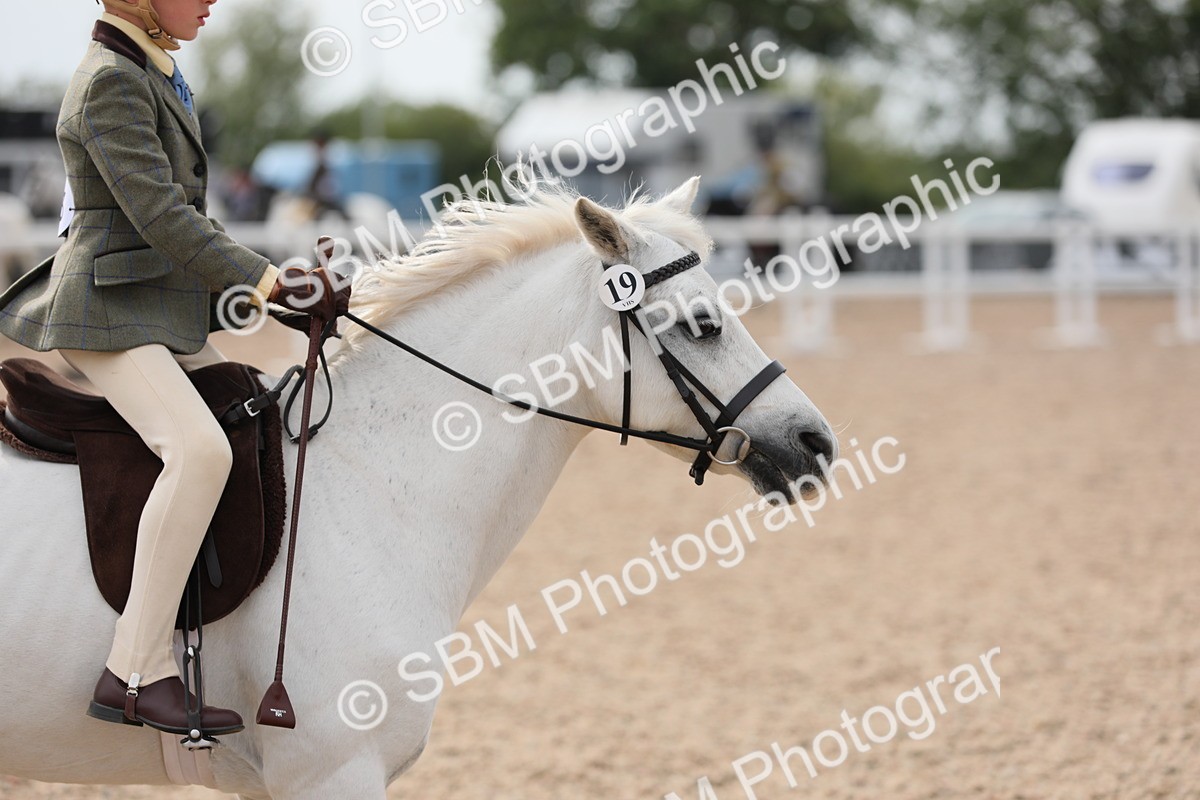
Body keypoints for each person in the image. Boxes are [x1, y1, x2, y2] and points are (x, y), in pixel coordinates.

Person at [0, 0, 349, 736]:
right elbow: (161, 216)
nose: (212, 0)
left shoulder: (153, 70)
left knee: (248, 410)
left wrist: (270, 290)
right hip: (105, 310)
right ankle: (132, 671)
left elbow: (192, 214)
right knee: (197, 450)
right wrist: (264, 282)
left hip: (154, 307)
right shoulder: (110, 83)